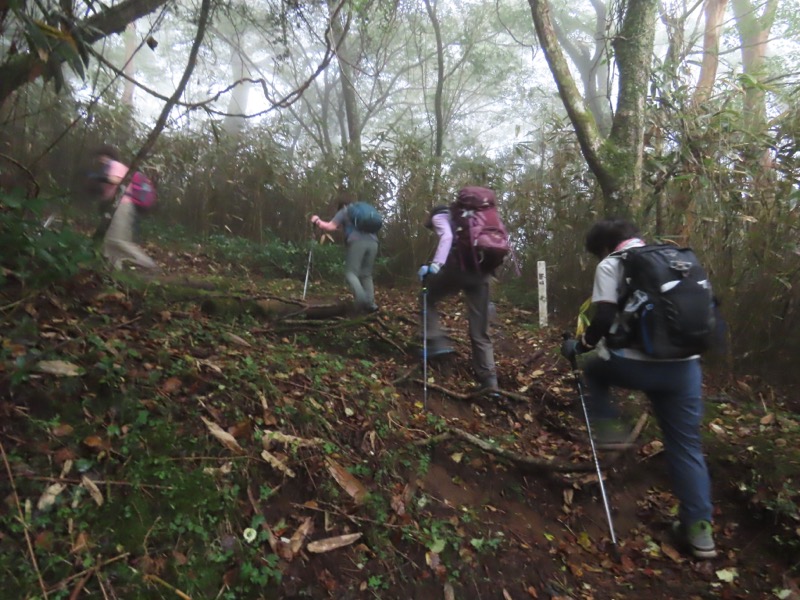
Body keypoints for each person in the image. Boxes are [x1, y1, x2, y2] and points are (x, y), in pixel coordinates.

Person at [560, 218, 716, 559]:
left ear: (603, 247)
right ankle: (700, 530)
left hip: (634, 363)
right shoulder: (678, 258)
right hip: (685, 369)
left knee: (596, 372)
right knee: (686, 447)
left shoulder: (612, 263)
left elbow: (602, 319)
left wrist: (580, 346)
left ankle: (610, 429)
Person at [418, 204, 499, 394]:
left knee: (426, 297)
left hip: (459, 269)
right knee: (480, 330)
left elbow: (447, 237)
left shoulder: (440, 216)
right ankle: (490, 380)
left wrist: (436, 265)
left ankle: (436, 341)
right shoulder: (473, 219)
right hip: (483, 272)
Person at [90, 145, 159, 272]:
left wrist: (98, 177)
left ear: (106, 156)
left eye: (101, 156)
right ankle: (114, 272)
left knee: (117, 240)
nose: (99, 160)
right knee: (109, 242)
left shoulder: (115, 165)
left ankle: (149, 265)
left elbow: (116, 180)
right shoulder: (109, 167)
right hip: (117, 206)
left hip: (122, 205)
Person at [310, 199, 379, 313]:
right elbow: (342, 228)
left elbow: (330, 227)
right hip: (373, 243)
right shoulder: (361, 213)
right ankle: (370, 304)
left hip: (358, 243)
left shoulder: (345, 211)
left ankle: (361, 299)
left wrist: (317, 220)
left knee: (350, 273)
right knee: (366, 274)